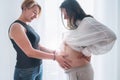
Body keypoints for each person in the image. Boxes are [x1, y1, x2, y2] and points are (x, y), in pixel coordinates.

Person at [8, 0, 71, 80]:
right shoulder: (16, 27)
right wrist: (54, 57)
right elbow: (29, 52)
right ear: (25, 8)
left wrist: (53, 51)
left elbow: (38, 46)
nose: (36, 16)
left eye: (37, 14)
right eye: (34, 12)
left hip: (38, 67)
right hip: (25, 71)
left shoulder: (28, 26)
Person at [58, 0, 117, 80]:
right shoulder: (73, 28)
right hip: (70, 72)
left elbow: (110, 36)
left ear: (73, 10)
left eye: (66, 14)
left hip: (82, 71)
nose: (64, 18)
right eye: (63, 14)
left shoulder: (87, 22)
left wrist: (87, 51)